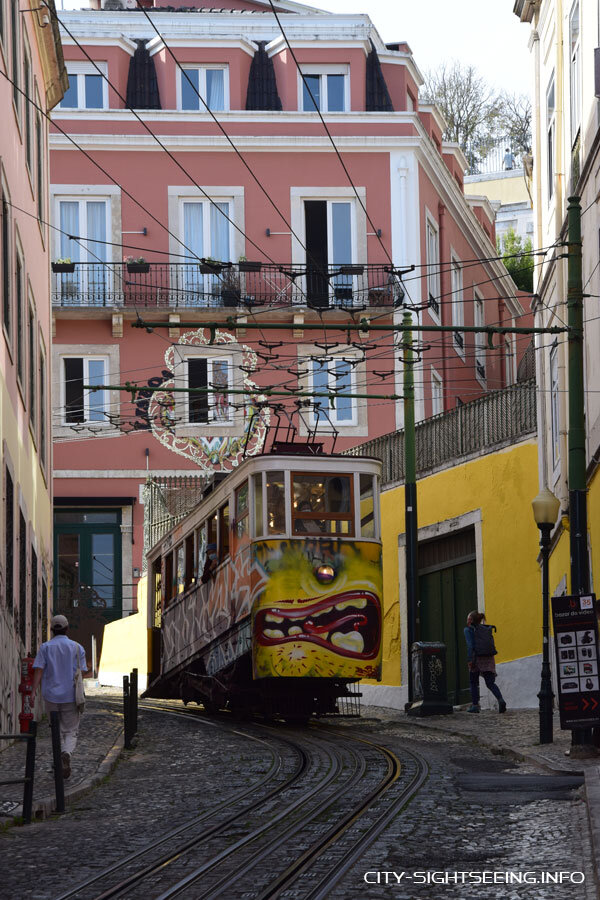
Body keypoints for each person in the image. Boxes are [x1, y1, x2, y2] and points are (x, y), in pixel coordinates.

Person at [31, 614, 88, 779]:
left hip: (51, 697)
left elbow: (39, 670)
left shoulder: (45, 647)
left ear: (52, 630)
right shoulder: (77, 648)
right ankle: (66, 754)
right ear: (67, 628)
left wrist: (34, 691)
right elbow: (82, 671)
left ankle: (59, 759)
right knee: (71, 730)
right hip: (71, 696)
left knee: (55, 729)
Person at [464, 610, 507, 714]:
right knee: (490, 683)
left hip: (476, 658)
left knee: (473, 682)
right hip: (488, 658)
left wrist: (470, 659)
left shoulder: (468, 630)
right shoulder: (486, 628)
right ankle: (501, 700)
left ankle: (475, 706)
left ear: (470, 620)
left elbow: (470, 645)